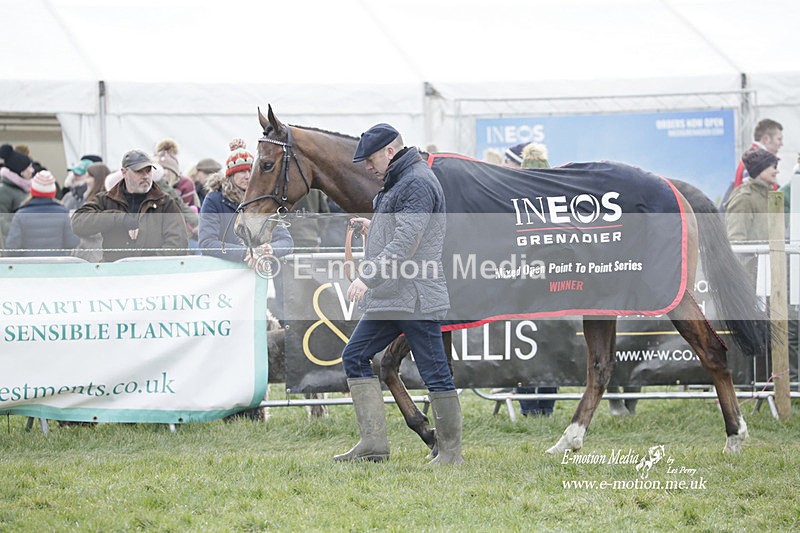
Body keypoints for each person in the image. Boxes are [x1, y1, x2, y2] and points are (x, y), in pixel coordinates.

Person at [335, 123, 462, 465]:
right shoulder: (402, 179)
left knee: (435, 372)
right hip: (393, 297)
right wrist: (373, 227)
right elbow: (401, 230)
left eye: (371, 158)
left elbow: (407, 241)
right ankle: (372, 445)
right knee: (354, 355)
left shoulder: (417, 182)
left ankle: (450, 453)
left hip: (416, 296)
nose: (367, 166)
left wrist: (367, 277)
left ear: (390, 152)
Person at [71, 149, 188, 262]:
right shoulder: (106, 199)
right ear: (124, 172)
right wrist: (121, 219)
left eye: (148, 170)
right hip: (114, 272)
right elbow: (78, 222)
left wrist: (147, 265)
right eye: (139, 171)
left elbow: (178, 244)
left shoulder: (165, 202)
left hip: (153, 272)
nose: (145, 176)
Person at [513, 143, 559, 416]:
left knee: (524, 344)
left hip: (523, 281)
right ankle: (546, 407)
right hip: (554, 281)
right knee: (551, 344)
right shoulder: (557, 195)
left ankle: (529, 406)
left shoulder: (514, 195)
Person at [724, 145, 780, 288]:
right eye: (773, 167)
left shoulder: (771, 196)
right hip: (751, 277)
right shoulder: (744, 198)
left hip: (768, 272)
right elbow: (736, 241)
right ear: (760, 170)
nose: (777, 171)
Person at [5, 170, 79, 257]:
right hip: (56, 262)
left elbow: (12, 247)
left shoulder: (21, 214)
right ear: (53, 192)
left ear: (32, 190)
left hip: (29, 263)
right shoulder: (62, 212)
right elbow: (72, 242)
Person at [721, 118, 783, 209]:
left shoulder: (755, 160)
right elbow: (748, 198)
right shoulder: (753, 162)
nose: (781, 144)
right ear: (766, 139)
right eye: (779, 139)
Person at [0, 144, 35, 249]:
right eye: (29, 167)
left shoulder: (25, 188)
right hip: (12, 246)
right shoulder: (4, 191)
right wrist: (21, 230)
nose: (32, 170)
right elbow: (2, 221)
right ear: (21, 171)